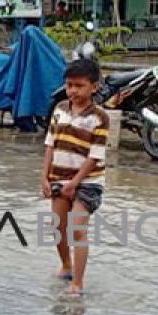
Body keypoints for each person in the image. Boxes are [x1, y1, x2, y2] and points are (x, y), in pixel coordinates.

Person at [42, 58, 109, 297]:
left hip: (88, 181)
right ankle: (66, 265)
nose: (73, 91)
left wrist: (75, 183)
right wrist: (45, 177)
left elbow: (95, 156)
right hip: (59, 176)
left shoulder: (99, 117)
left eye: (79, 86)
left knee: (78, 229)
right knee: (58, 227)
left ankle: (78, 283)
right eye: (69, 85)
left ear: (94, 86)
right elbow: (50, 144)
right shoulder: (60, 109)